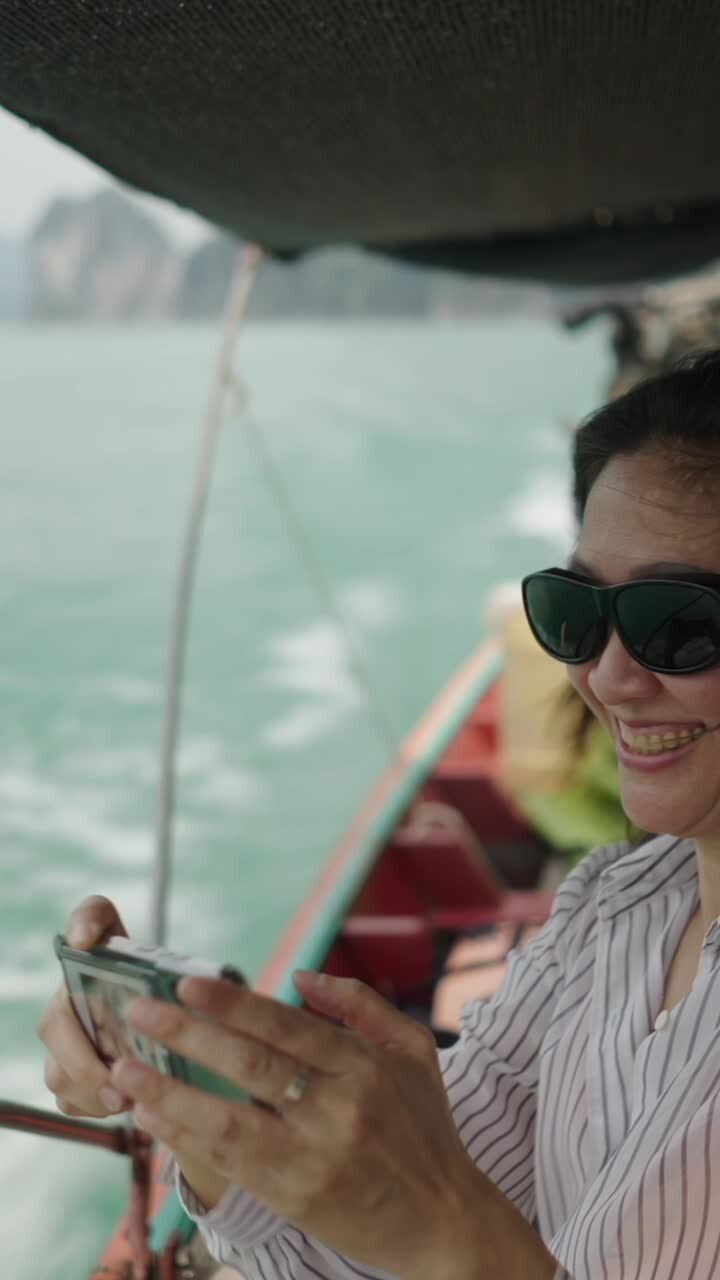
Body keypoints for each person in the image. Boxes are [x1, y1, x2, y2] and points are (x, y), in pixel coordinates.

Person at [38, 350, 720, 1278]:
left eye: (677, 624)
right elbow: (385, 1233)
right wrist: (185, 1091)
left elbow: (441, 1235)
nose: (605, 676)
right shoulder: (614, 911)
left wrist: (457, 1242)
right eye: (578, 610)